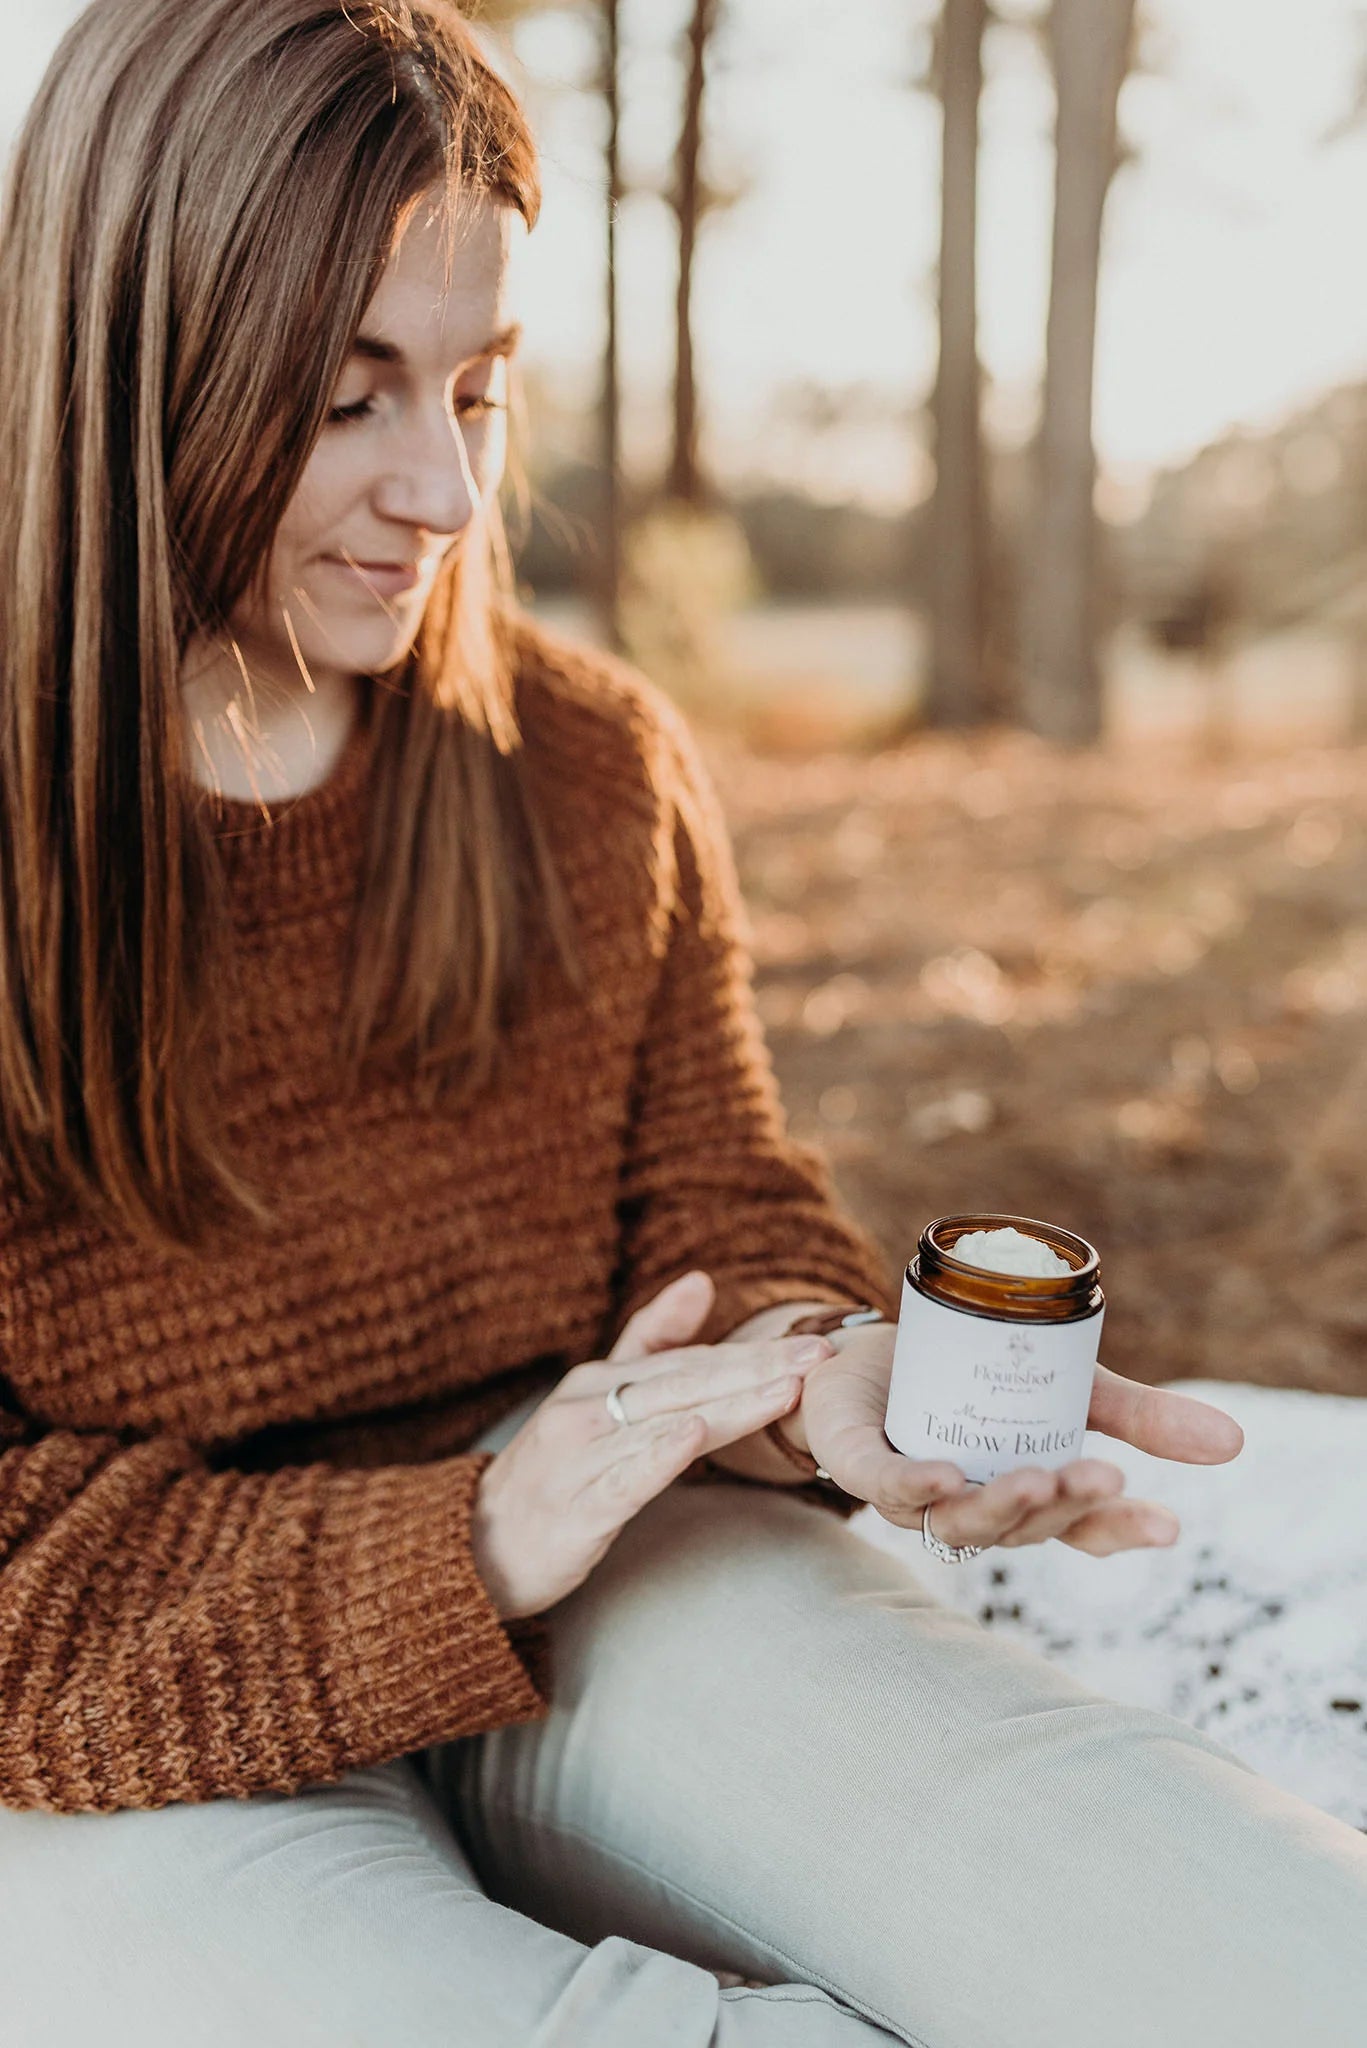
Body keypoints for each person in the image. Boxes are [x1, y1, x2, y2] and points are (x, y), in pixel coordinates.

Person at [0, 5, 1362, 2046]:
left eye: (477, 385)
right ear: (132, 353)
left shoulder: (583, 767)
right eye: (352, 395)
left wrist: (820, 1373)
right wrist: (460, 1532)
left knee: (1162, 1893)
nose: (449, 487)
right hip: (117, 1715)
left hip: (612, 1567)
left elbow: (715, 1205)